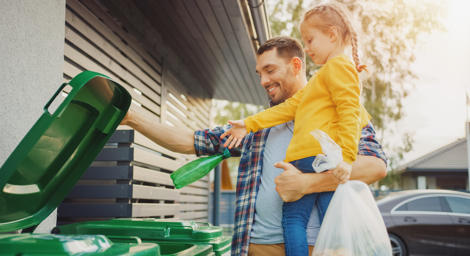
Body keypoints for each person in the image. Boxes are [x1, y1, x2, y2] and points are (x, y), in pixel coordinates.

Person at [120, 37, 387, 256]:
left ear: (296, 65)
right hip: (256, 248)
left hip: (319, 249)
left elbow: (374, 167)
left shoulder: (342, 111)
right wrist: (132, 117)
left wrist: (308, 183)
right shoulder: (256, 127)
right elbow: (191, 141)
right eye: (259, 73)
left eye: (270, 70)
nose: (263, 81)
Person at [221, 3, 367, 255]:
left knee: (295, 220)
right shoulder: (322, 78)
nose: (307, 47)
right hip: (316, 160)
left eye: (310, 40)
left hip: (311, 159)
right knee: (331, 218)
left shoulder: (338, 68)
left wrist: (347, 157)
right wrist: (248, 124)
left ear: (332, 35)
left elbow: (350, 112)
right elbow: (287, 109)